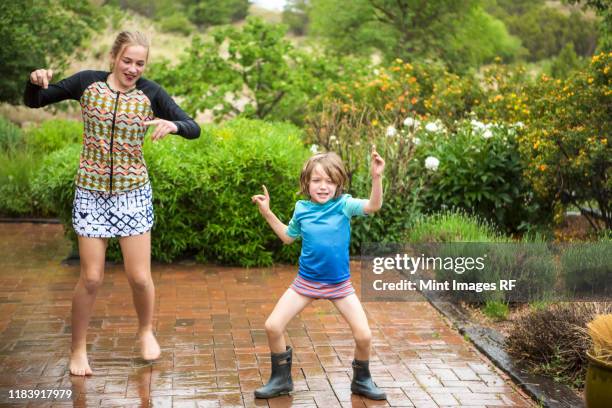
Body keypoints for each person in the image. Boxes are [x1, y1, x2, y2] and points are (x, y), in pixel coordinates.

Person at [24, 31, 200, 376]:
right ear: (113, 58)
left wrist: (174, 125)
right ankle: (77, 350)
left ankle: (146, 330)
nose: (133, 68)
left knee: (139, 277)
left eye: (139, 63)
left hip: (132, 193)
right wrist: (35, 81)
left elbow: (194, 127)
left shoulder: (151, 93)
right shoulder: (87, 83)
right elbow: (35, 101)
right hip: (90, 192)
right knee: (90, 278)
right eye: (127, 60)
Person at [251, 147, 387, 400]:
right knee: (272, 326)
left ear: (338, 185)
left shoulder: (344, 206)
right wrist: (267, 212)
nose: (323, 186)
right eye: (316, 180)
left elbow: (373, 206)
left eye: (330, 181)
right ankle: (280, 379)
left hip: (339, 285)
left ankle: (362, 380)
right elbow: (287, 238)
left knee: (364, 335)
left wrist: (376, 177)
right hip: (306, 283)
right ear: (306, 183)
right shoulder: (301, 208)